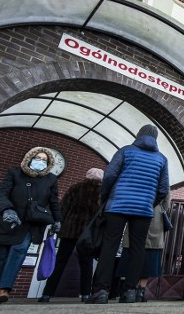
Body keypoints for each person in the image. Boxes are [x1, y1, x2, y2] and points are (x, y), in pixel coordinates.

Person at [87, 124, 169, 304]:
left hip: (117, 205)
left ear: (138, 135)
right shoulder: (162, 159)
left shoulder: (125, 151)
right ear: (156, 139)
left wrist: (106, 197)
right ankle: (130, 291)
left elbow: (109, 176)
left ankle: (101, 290)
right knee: (137, 249)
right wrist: (149, 202)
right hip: (144, 210)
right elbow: (163, 189)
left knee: (109, 246)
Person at [0, 147, 62, 304]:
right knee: (1, 257)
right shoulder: (14, 173)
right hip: (9, 221)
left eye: (44, 160)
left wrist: (57, 220)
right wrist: (7, 209)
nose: (40, 161)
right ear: (29, 158)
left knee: (19, 251)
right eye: (37, 158)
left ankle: (4, 289)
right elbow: (1, 194)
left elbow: (53, 201)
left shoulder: (50, 180)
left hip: (31, 224)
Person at [38, 167, 103, 303]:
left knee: (60, 262)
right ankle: (85, 294)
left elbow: (63, 208)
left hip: (70, 230)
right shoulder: (101, 192)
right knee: (86, 263)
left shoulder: (75, 188)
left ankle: (47, 293)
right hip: (88, 233)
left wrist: (60, 224)